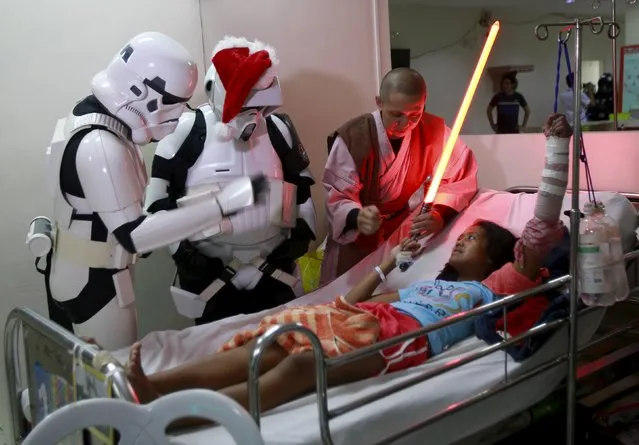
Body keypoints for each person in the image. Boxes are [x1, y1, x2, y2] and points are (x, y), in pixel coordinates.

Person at [125, 114, 572, 416]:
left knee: (301, 367)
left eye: (472, 239)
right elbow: (357, 302)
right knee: (267, 343)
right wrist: (383, 268)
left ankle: (178, 417)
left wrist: (556, 152)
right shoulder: (427, 285)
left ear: (496, 261)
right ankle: (154, 385)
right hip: (367, 319)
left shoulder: (490, 292)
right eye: (466, 233)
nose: (462, 239)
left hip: (400, 339)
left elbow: (539, 235)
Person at [27, 32, 266, 351]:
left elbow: (124, 215)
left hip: (78, 271)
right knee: (112, 376)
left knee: (90, 374)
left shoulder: (90, 120)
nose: (181, 114)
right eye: (175, 102)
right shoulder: (101, 146)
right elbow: (135, 236)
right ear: (139, 91)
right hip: (96, 283)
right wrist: (220, 205)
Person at [144, 36, 317, 324]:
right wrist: (184, 255)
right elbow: (158, 203)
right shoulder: (185, 131)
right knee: (218, 358)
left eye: (263, 106)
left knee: (280, 351)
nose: (256, 116)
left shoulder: (278, 127)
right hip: (210, 281)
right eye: (249, 105)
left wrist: (301, 237)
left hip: (276, 273)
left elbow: (303, 190)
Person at [320, 68, 478, 285]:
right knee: (347, 301)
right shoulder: (353, 137)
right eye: (396, 115)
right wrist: (356, 216)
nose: (405, 125)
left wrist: (439, 214)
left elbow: (460, 178)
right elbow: (337, 195)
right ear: (379, 102)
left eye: (415, 114)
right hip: (359, 238)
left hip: (403, 235)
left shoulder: (436, 132)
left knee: (394, 301)